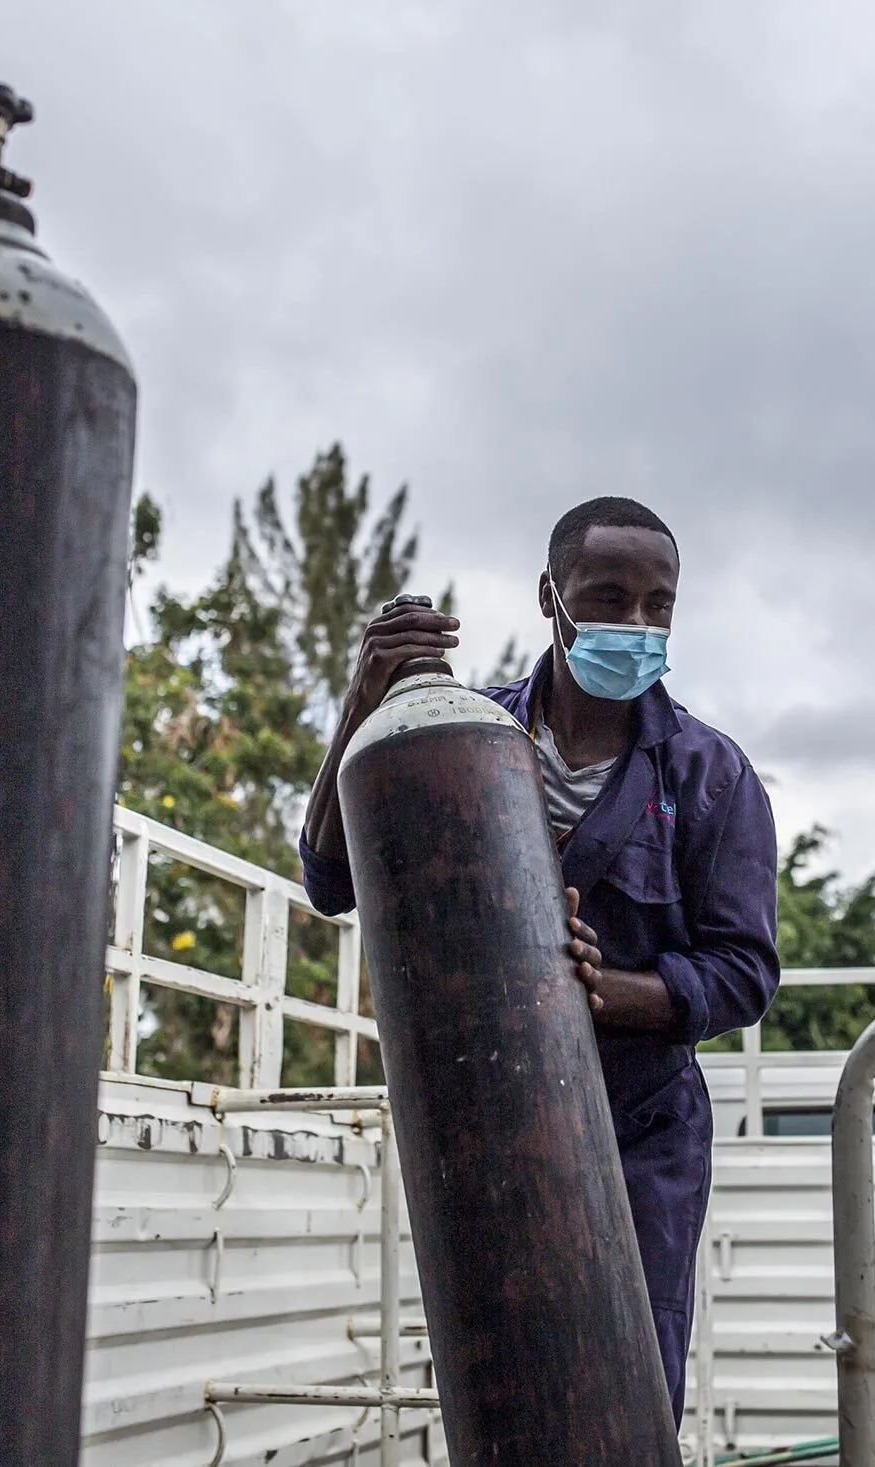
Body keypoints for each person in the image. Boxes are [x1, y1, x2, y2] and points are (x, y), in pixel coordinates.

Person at [298, 495, 780, 1421]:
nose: (634, 624)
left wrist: (607, 990)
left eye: (658, 604)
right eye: (607, 597)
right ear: (550, 597)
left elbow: (743, 973)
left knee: (628, 1385)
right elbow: (329, 878)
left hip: (640, 1130)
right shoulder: (457, 734)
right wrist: (363, 706)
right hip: (490, 1121)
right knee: (505, 1382)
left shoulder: (710, 777)